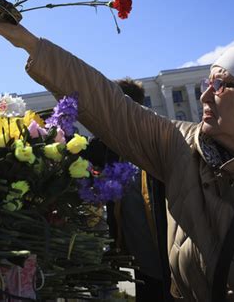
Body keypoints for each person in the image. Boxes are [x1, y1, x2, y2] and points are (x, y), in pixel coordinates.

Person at [0, 22, 234, 301]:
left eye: (221, 85)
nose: (205, 94)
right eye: (207, 81)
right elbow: (111, 108)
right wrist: (32, 45)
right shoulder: (182, 147)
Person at [83, 77, 173, 302]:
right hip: (139, 255)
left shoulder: (158, 138)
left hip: (166, 249)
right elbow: (81, 155)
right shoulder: (107, 143)